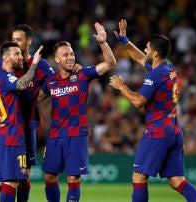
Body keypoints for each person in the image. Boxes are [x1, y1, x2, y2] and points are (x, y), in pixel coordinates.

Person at [109, 19, 196, 202]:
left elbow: (138, 102)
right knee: (177, 181)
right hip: (174, 130)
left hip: (158, 131)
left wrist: (121, 86)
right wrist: (124, 40)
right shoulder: (169, 69)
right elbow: (138, 57)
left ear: (156, 53)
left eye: (147, 47)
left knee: (138, 176)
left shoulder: (155, 74)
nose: (145, 49)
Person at [36, 22, 116, 202]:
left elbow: (110, 63)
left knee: (73, 177)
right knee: (49, 177)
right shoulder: (51, 81)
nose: (70, 57)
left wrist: (103, 42)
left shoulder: (83, 75)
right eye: (65, 55)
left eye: (71, 53)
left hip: (76, 134)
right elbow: (36, 99)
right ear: (57, 60)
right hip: (55, 135)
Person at [0, 24, 55, 202]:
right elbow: (18, 84)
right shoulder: (5, 72)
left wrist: (39, 97)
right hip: (13, 132)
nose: (15, 43)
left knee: (5, 179)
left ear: (29, 41)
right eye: (13, 40)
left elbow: (54, 83)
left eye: (18, 40)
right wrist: (34, 64)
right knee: (12, 181)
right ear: (6, 58)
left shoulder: (35, 67)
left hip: (16, 128)